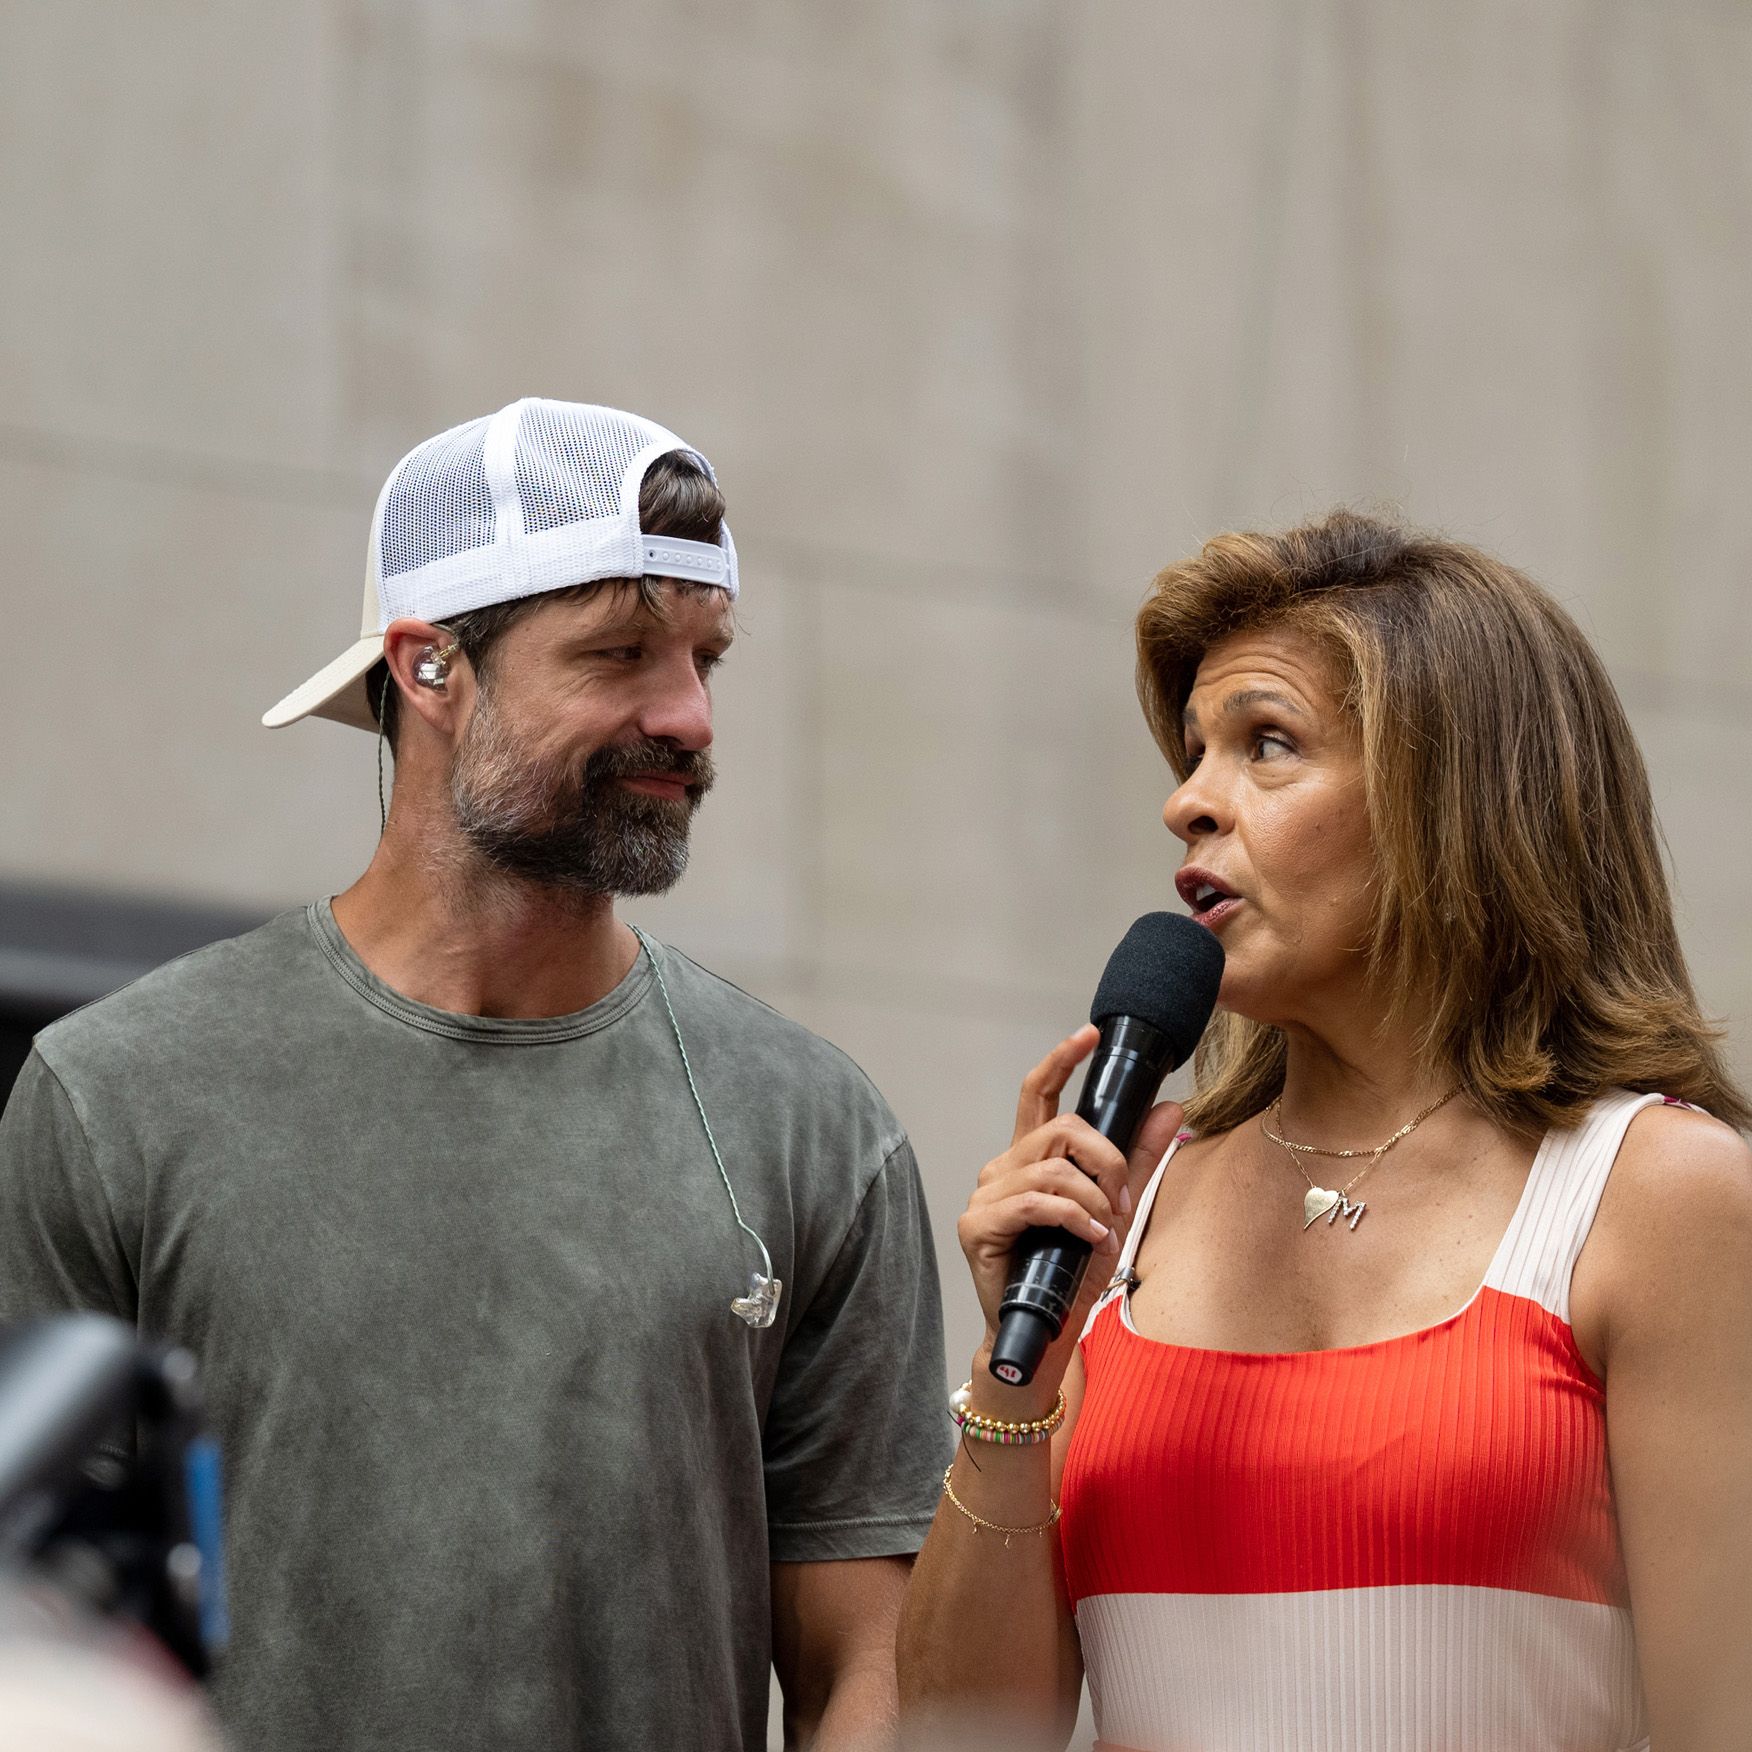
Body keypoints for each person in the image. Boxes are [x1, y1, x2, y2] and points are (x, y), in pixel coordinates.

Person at [0, 399, 951, 1752]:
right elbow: (31, 1636)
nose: (685, 715)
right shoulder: (118, 1097)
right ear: (429, 667)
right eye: (619, 654)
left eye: (704, 659)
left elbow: (871, 1665)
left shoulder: (810, 1126)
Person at [898, 509, 1752, 1751]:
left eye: (1268, 744)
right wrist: (1018, 1362)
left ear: (1452, 800)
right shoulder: (1134, 1194)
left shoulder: (1655, 1195)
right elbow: (963, 1731)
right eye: (1192, 752)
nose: (1189, 803)